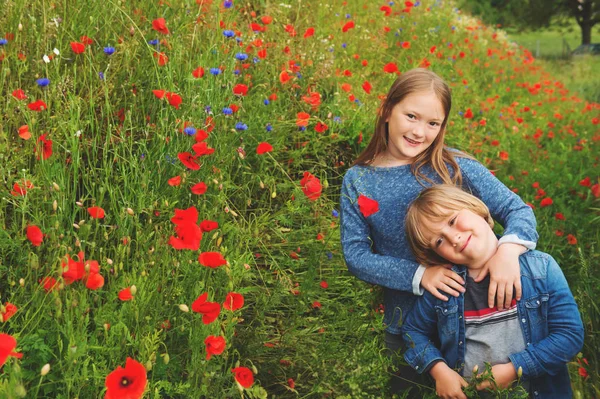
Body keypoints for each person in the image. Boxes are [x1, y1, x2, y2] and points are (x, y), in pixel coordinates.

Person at [339, 68, 538, 393]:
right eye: (412, 116)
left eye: (433, 123)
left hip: (478, 321)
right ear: (387, 110)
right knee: (408, 390)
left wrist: (509, 251)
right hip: (408, 326)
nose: (420, 131)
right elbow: (356, 255)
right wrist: (420, 275)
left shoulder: (454, 167)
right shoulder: (359, 180)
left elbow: (518, 211)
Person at [402, 185, 584, 398]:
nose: (454, 238)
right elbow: (413, 331)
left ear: (475, 208)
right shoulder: (445, 285)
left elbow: (570, 335)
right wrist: (439, 370)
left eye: (452, 221)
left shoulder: (540, 269)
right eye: (439, 241)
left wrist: (514, 369)